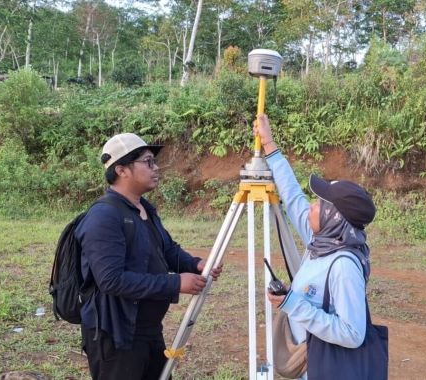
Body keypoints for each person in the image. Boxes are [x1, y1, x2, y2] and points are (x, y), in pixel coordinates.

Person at [75, 133, 222, 380]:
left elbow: (166, 249)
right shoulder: (104, 217)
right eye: (148, 162)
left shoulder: (144, 208)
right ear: (121, 170)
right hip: (116, 334)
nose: (156, 168)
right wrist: (175, 283)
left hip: (147, 329)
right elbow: (111, 280)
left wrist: (195, 264)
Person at [254, 114, 376, 379]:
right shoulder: (322, 241)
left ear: (334, 217)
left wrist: (293, 303)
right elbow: (293, 197)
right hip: (308, 360)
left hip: (323, 368)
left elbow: (353, 334)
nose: (312, 205)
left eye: (320, 203)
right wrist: (270, 145)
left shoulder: (343, 264)